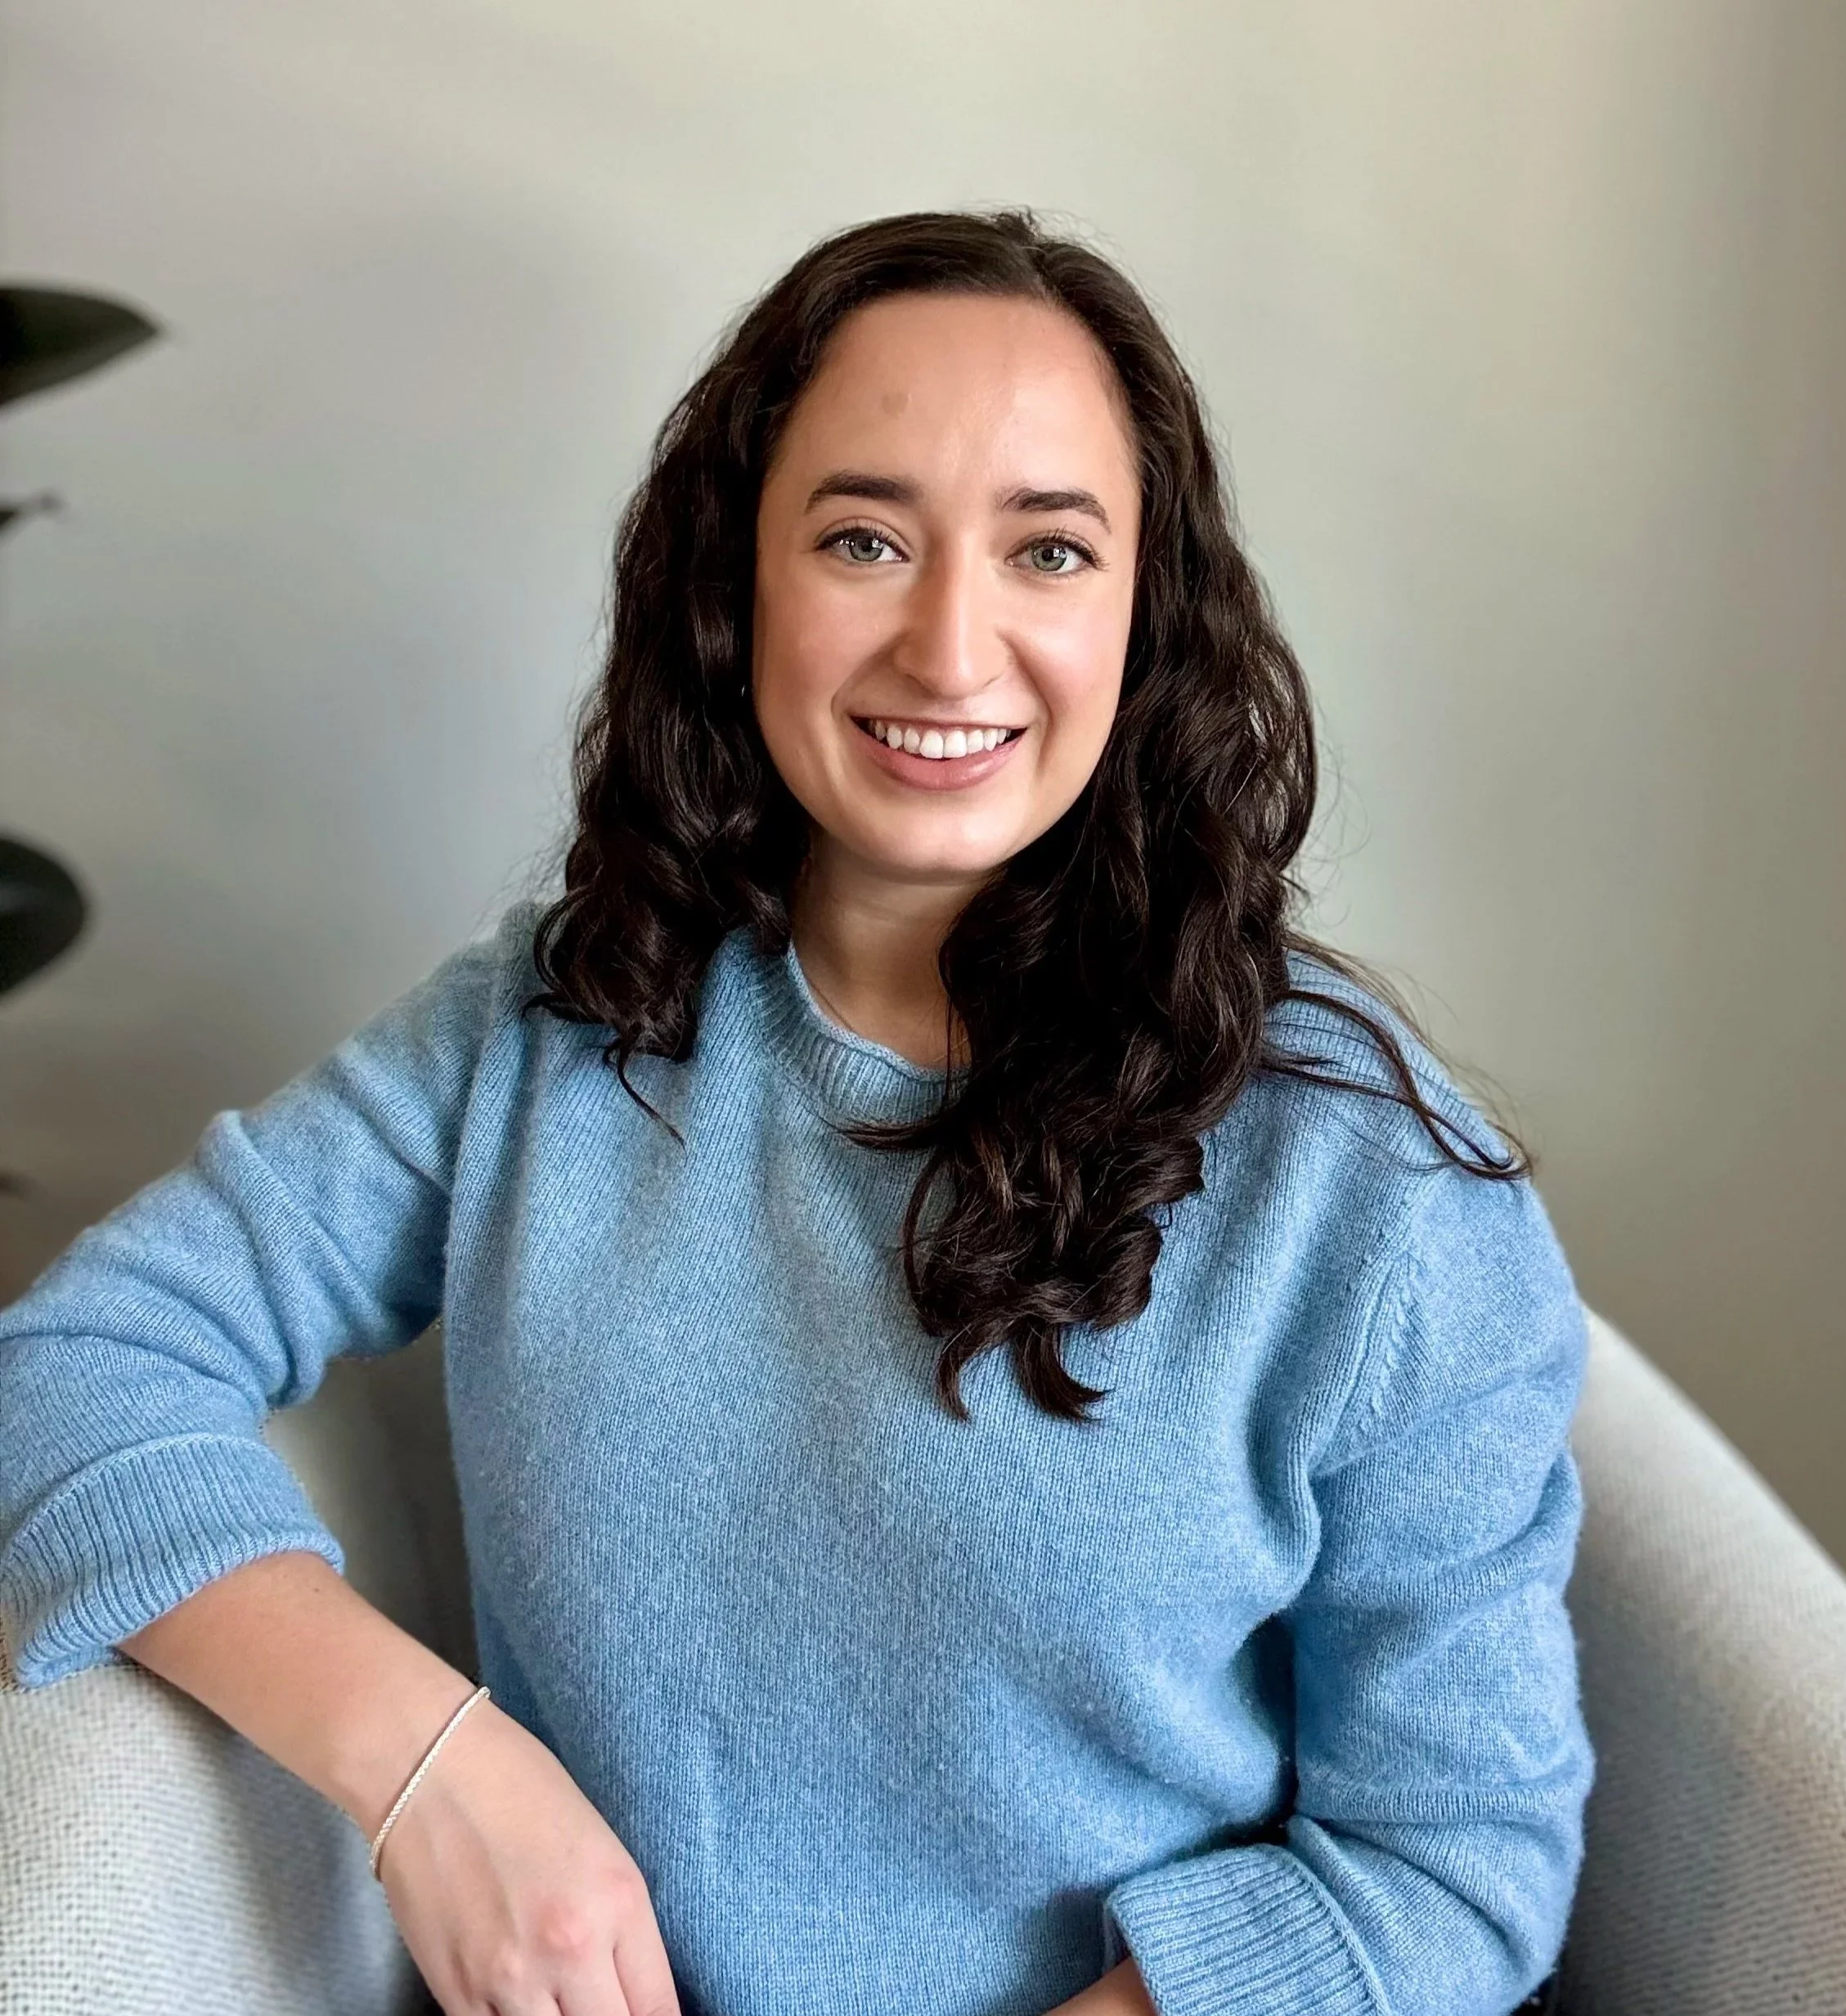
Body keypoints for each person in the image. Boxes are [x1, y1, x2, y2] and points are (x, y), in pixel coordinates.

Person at [0, 210, 1590, 2016]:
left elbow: (1455, 1869)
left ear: (1145, 620)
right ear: (734, 581)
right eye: (861, 537)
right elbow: (72, 1355)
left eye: (1049, 550)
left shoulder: (1374, 1199)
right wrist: (431, 1760)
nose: (949, 643)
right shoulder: (549, 1026)